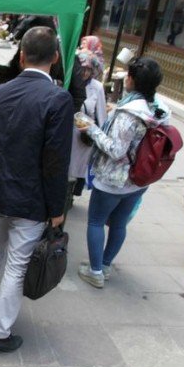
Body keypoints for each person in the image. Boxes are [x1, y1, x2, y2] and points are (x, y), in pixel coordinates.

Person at [0, 28, 74, 352]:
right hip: (31, 196)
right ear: (55, 58)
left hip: (0, 185)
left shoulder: (0, 92)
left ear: (21, 56)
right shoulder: (58, 99)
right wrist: (57, 209)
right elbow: (57, 160)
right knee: (16, 264)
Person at [76, 57, 170, 288]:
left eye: (128, 76)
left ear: (132, 80)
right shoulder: (158, 110)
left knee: (96, 222)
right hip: (138, 180)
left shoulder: (130, 113)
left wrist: (93, 128)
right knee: (119, 225)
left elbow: (116, 150)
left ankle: (95, 271)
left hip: (113, 179)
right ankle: (105, 265)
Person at [67, 47, 108, 198]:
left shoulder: (97, 87)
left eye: (88, 70)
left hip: (83, 134)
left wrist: (101, 137)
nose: (84, 73)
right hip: (66, 131)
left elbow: (101, 113)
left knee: (78, 167)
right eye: (82, 69)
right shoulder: (68, 81)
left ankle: (71, 193)